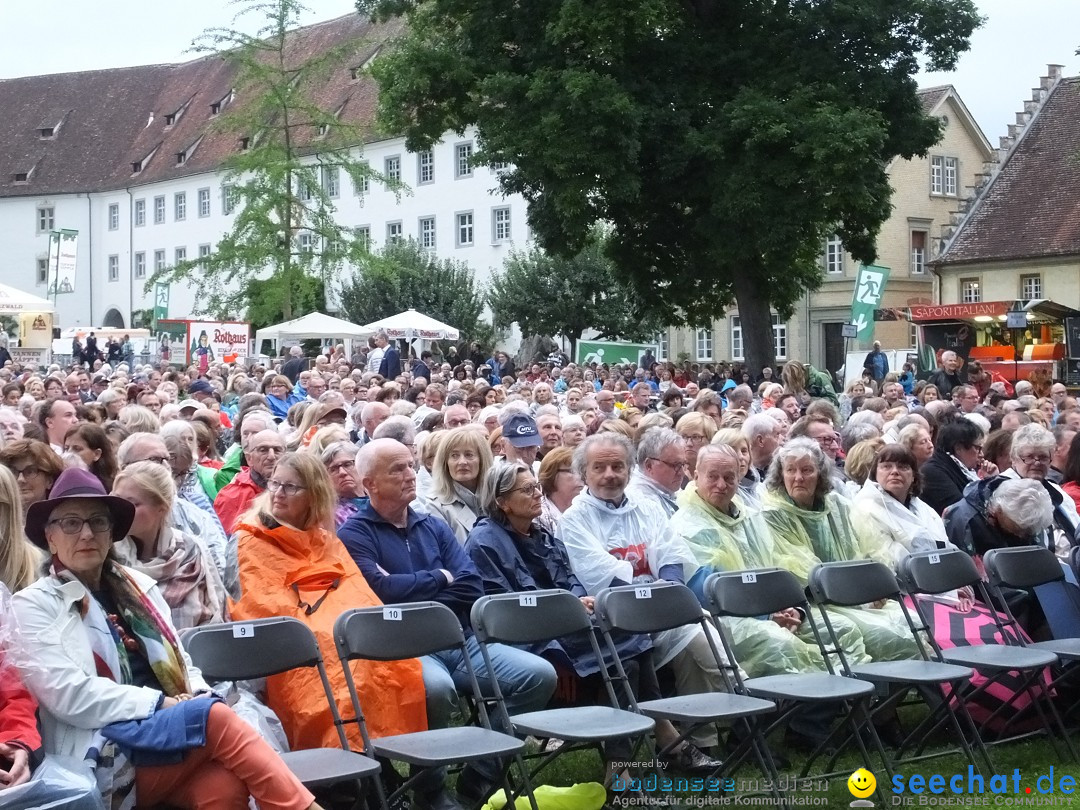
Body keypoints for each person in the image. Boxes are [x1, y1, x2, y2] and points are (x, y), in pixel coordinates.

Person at [10, 468, 322, 810]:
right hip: (104, 749)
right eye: (70, 523)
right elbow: (68, 695)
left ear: (112, 532)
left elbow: (182, 663)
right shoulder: (34, 604)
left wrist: (197, 694)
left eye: (98, 522)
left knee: (222, 787)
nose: (86, 533)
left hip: (169, 736)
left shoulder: (137, 587)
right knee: (214, 718)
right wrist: (162, 705)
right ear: (49, 537)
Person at [340, 439, 556, 808]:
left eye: (411, 465)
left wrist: (418, 592)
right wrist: (441, 577)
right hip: (401, 648)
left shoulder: (433, 526)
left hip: (460, 639)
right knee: (435, 690)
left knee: (538, 676)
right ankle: (431, 790)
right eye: (398, 469)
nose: (411, 474)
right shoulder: (355, 534)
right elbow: (378, 593)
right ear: (369, 483)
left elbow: (470, 583)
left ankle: (480, 775)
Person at [465, 460, 711, 771]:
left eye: (537, 487)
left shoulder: (539, 534)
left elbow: (567, 575)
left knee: (631, 648)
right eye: (527, 490)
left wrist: (579, 598)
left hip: (565, 625)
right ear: (502, 502)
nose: (538, 495)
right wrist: (567, 606)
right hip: (529, 636)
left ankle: (626, 766)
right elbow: (503, 605)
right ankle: (661, 744)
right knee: (630, 653)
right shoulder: (486, 541)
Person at [229, 452, 426, 753]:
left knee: (379, 667)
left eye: (291, 487)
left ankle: (378, 766)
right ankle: (343, 778)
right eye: (275, 484)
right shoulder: (250, 539)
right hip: (294, 649)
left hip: (345, 636)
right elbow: (262, 605)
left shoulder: (326, 540)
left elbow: (361, 597)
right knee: (333, 684)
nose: (279, 493)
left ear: (314, 495)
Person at [558, 433, 728, 761]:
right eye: (600, 467)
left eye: (617, 466)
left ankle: (708, 735)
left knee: (701, 644)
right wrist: (655, 600)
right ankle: (727, 723)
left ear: (629, 469)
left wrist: (666, 591)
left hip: (660, 610)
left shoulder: (646, 507)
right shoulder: (574, 520)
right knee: (687, 643)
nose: (610, 474)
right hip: (615, 621)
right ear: (585, 474)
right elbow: (598, 574)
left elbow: (670, 555)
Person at [669, 444, 867, 679]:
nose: (721, 485)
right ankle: (801, 711)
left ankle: (860, 706)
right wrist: (767, 615)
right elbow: (706, 592)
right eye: (712, 476)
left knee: (843, 631)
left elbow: (779, 567)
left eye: (729, 477)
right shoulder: (686, 526)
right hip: (728, 619)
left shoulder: (749, 516)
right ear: (695, 475)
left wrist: (792, 608)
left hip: (773, 610)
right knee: (782, 647)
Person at [760, 438, 917, 661]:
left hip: (854, 592)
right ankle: (875, 694)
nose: (798, 477)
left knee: (914, 623)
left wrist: (875, 585)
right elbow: (799, 571)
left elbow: (869, 547)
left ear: (820, 474)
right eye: (790, 470)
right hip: (810, 602)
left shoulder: (837, 505)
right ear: (780, 474)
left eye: (807, 470)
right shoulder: (772, 514)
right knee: (883, 634)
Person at [111, 461, 226, 629]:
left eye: (133, 504)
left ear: (162, 508)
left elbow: (215, 619)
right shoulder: (108, 557)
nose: (121, 511)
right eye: (117, 501)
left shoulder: (191, 552)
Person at [425, 426, 493, 544]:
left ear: (482, 459)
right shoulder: (435, 506)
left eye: (469, 455)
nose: (462, 462)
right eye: (454, 456)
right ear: (445, 463)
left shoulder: (498, 498)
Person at [919, 419, 996, 515]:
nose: (981, 454)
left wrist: (991, 480)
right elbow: (964, 511)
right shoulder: (933, 472)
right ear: (958, 448)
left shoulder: (962, 467)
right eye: (978, 448)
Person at [214, 429, 283, 533]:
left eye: (277, 450)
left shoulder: (298, 490)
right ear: (249, 459)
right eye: (263, 450)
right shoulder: (232, 496)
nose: (272, 456)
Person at [626, 427, 687, 518]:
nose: (682, 473)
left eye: (683, 464)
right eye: (675, 465)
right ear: (649, 465)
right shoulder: (640, 505)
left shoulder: (666, 491)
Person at [0, 440, 64, 517]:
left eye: (30, 471)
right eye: (13, 472)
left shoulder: (59, 520)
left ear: (49, 481)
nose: (20, 479)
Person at [536, 446, 581, 536]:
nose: (580, 477)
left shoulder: (587, 509)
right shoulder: (538, 515)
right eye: (572, 471)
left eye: (581, 471)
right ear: (551, 474)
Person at [321, 441, 366, 528]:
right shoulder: (332, 516)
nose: (342, 472)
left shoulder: (380, 497)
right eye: (333, 469)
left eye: (347, 464)